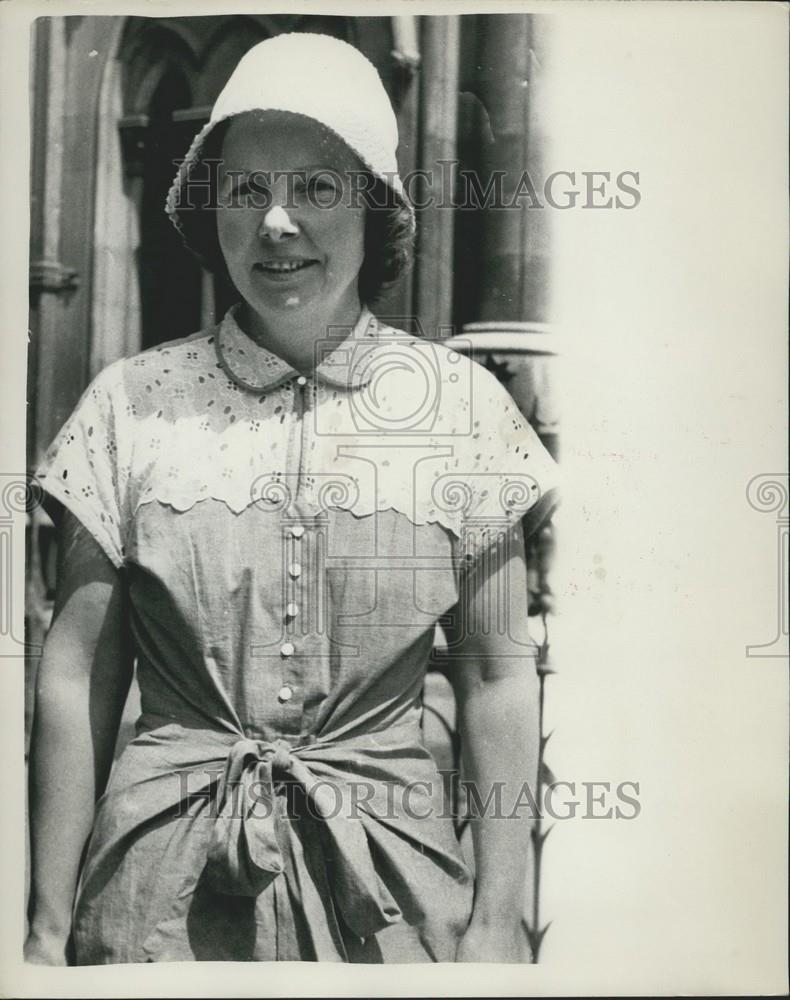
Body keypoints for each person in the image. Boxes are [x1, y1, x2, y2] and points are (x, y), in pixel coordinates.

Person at [25, 32, 560, 965]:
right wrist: (39, 929)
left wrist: (496, 920)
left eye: (317, 187)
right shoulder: (128, 403)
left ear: (377, 208)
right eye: (246, 189)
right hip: (158, 907)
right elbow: (77, 678)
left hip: (392, 898)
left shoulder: (465, 407)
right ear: (211, 207)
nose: (277, 222)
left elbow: (496, 674)